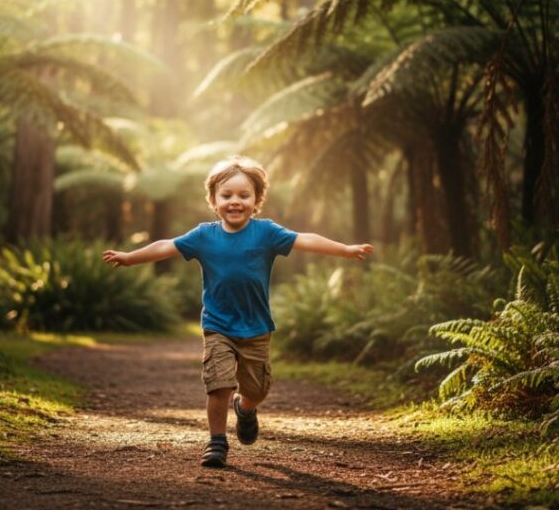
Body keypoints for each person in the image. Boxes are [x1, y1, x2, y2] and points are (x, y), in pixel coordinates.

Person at [102, 156, 373, 468]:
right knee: (218, 384)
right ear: (214, 200)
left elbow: (305, 239)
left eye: (244, 195)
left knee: (257, 389)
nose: (235, 201)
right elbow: (166, 246)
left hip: (256, 328)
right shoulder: (204, 236)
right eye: (226, 195)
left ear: (257, 200)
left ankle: (245, 409)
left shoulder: (267, 233)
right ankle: (217, 441)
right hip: (217, 326)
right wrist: (129, 257)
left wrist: (345, 249)